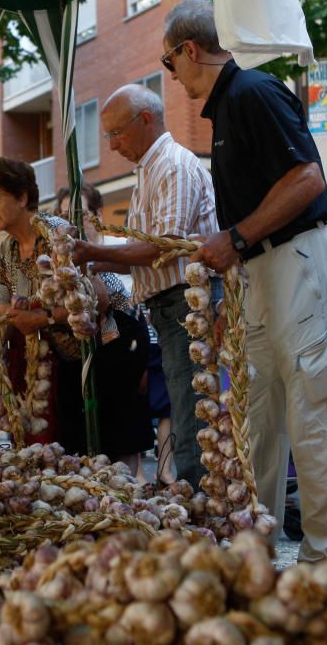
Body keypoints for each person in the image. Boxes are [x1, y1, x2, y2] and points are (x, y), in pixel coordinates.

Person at [164, 0, 327, 561]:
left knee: (313, 417)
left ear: (190, 50)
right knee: (256, 420)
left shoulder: (253, 92)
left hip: (294, 260)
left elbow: (306, 179)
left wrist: (237, 239)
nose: (173, 78)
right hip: (264, 271)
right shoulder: (232, 104)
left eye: (170, 66)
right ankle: (257, 552)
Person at [70, 85, 219, 487]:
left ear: (146, 120)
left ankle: (201, 514)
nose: (112, 145)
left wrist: (92, 253)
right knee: (187, 413)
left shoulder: (171, 165)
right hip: (173, 306)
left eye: (116, 133)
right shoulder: (152, 169)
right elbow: (151, 250)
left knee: (192, 418)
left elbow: (163, 248)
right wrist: (93, 258)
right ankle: (198, 508)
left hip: (187, 306)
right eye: (107, 136)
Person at [0, 157, 86, 447]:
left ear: (22, 197)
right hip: (33, 356)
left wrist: (40, 318)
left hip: (76, 358)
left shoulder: (56, 233)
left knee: (69, 445)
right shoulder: (7, 247)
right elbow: (4, 310)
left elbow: (86, 300)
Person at [56, 183, 154, 474]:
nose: (73, 222)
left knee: (124, 437)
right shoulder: (61, 261)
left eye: (80, 214)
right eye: (64, 215)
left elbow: (135, 306)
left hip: (125, 354)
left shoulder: (121, 249)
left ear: (97, 214)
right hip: (83, 360)